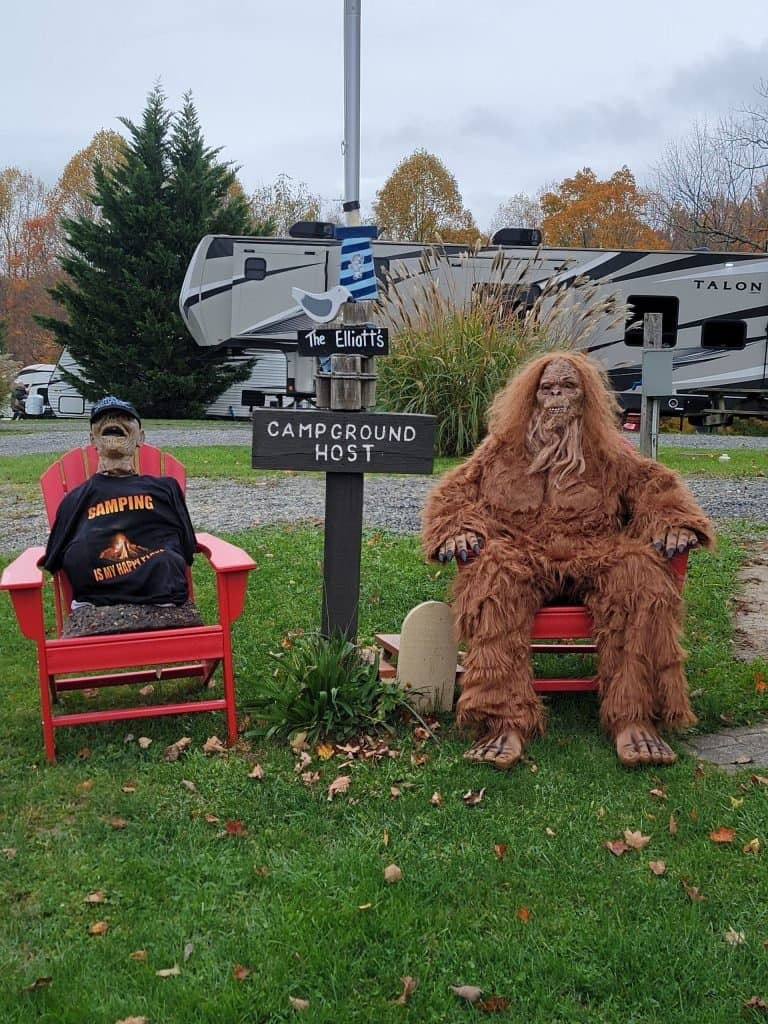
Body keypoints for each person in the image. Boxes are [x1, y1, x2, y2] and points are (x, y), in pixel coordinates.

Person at [421, 351, 715, 769]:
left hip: (594, 551)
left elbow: (656, 486)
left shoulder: (607, 451)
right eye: (548, 389)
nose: (557, 397)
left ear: (586, 397)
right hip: (522, 553)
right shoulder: (501, 450)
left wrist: (675, 521)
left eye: (567, 387)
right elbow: (454, 494)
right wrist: (456, 529)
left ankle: (634, 718)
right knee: (492, 575)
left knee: (640, 572)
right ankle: (502, 721)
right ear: (532, 398)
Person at [43, 396, 203, 637]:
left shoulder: (166, 489)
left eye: (125, 418)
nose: (113, 421)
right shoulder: (74, 501)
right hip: (94, 605)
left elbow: (187, 549)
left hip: (163, 601)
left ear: (141, 438)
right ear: (92, 440)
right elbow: (53, 560)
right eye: (103, 419)